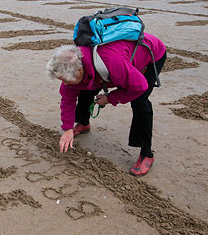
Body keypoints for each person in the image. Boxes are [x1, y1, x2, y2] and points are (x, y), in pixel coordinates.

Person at [46, 35, 167, 177]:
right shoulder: (72, 67)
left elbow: (139, 86)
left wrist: (110, 98)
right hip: (113, 61)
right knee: (83, 88)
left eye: (65, 80)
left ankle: (146, 153)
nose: (64, 84)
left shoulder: (112, 63)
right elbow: (67, 98)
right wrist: (67, 128)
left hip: (149, 54)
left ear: (79, 70)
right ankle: (84, 123)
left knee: (140, 101)